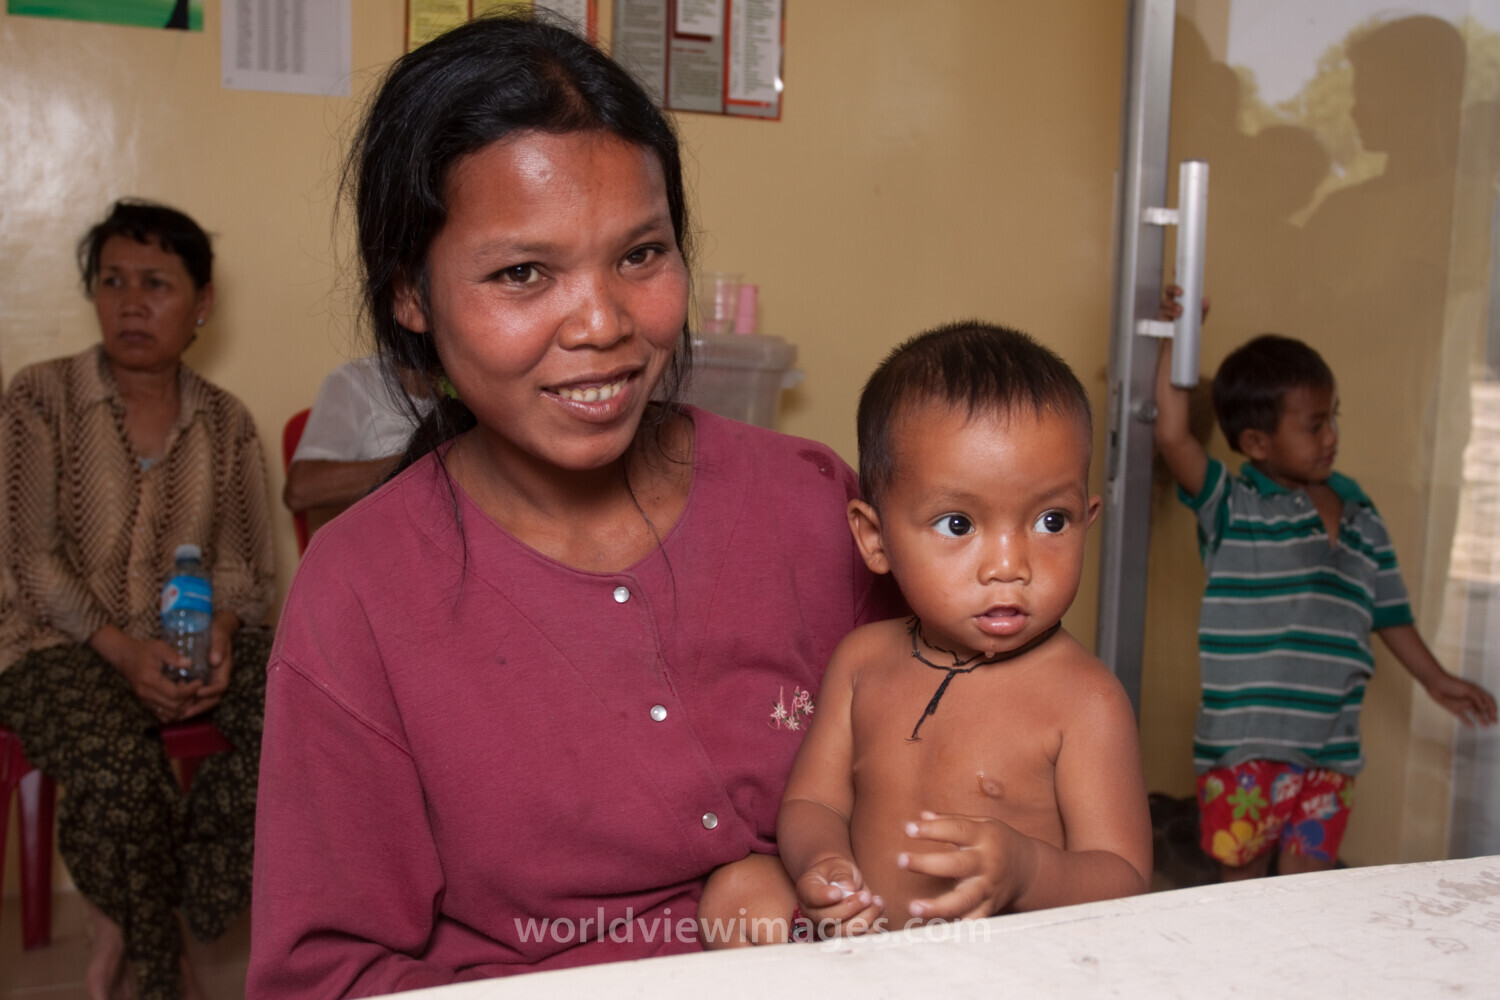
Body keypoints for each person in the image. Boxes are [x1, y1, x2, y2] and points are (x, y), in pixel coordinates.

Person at [246, 12, 901, 997]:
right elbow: (328, 973)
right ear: (411, 296)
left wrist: (826, 879)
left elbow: (967, 770)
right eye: (523, 273)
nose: (603, 324)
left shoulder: (809, 506)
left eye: (640, 255)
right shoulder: (364, 592)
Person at [698, 323, 1153, 946]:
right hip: (868, 960)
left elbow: (1124, 879)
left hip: (1013, 972)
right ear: (875, 539)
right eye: (959, 523)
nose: (1008, 565)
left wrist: (1028, 872)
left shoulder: (1085, 700)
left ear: (1088, 520)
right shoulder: (863, 663)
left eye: (1052, 520)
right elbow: (815, 805)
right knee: (735, 898)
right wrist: (823, 866)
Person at [0, 200, 275, 1000]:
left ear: (202, 303)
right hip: (50, 646)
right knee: (121, 764)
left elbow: (247, 567)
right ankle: (165, 964)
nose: (130, 302)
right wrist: (122, 651)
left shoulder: (226, 424)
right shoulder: (40, 398)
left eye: (156, 283)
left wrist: (222, 631)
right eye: (112, 281)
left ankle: (147, 902)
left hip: (186, 640)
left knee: (297, 704)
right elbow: (30, 558)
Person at [1153, 331, 1498, 882]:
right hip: (1246, 748)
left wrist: (1436, 679)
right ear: (1257, 443)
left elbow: (1389, 612)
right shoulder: (1233, 507)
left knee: (1309, 888)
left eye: (1332, 417)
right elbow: (1172, 435)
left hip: (1333, 748)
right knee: (1239, 886)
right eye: (1314, 425)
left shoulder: (1363, 513)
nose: (1331, 436)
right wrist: (1179, 332)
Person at [282, 355, 431, 537]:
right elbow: (300, 489)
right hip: (380, 546)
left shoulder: (462, 381)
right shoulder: (356, 380)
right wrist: (420, 459)